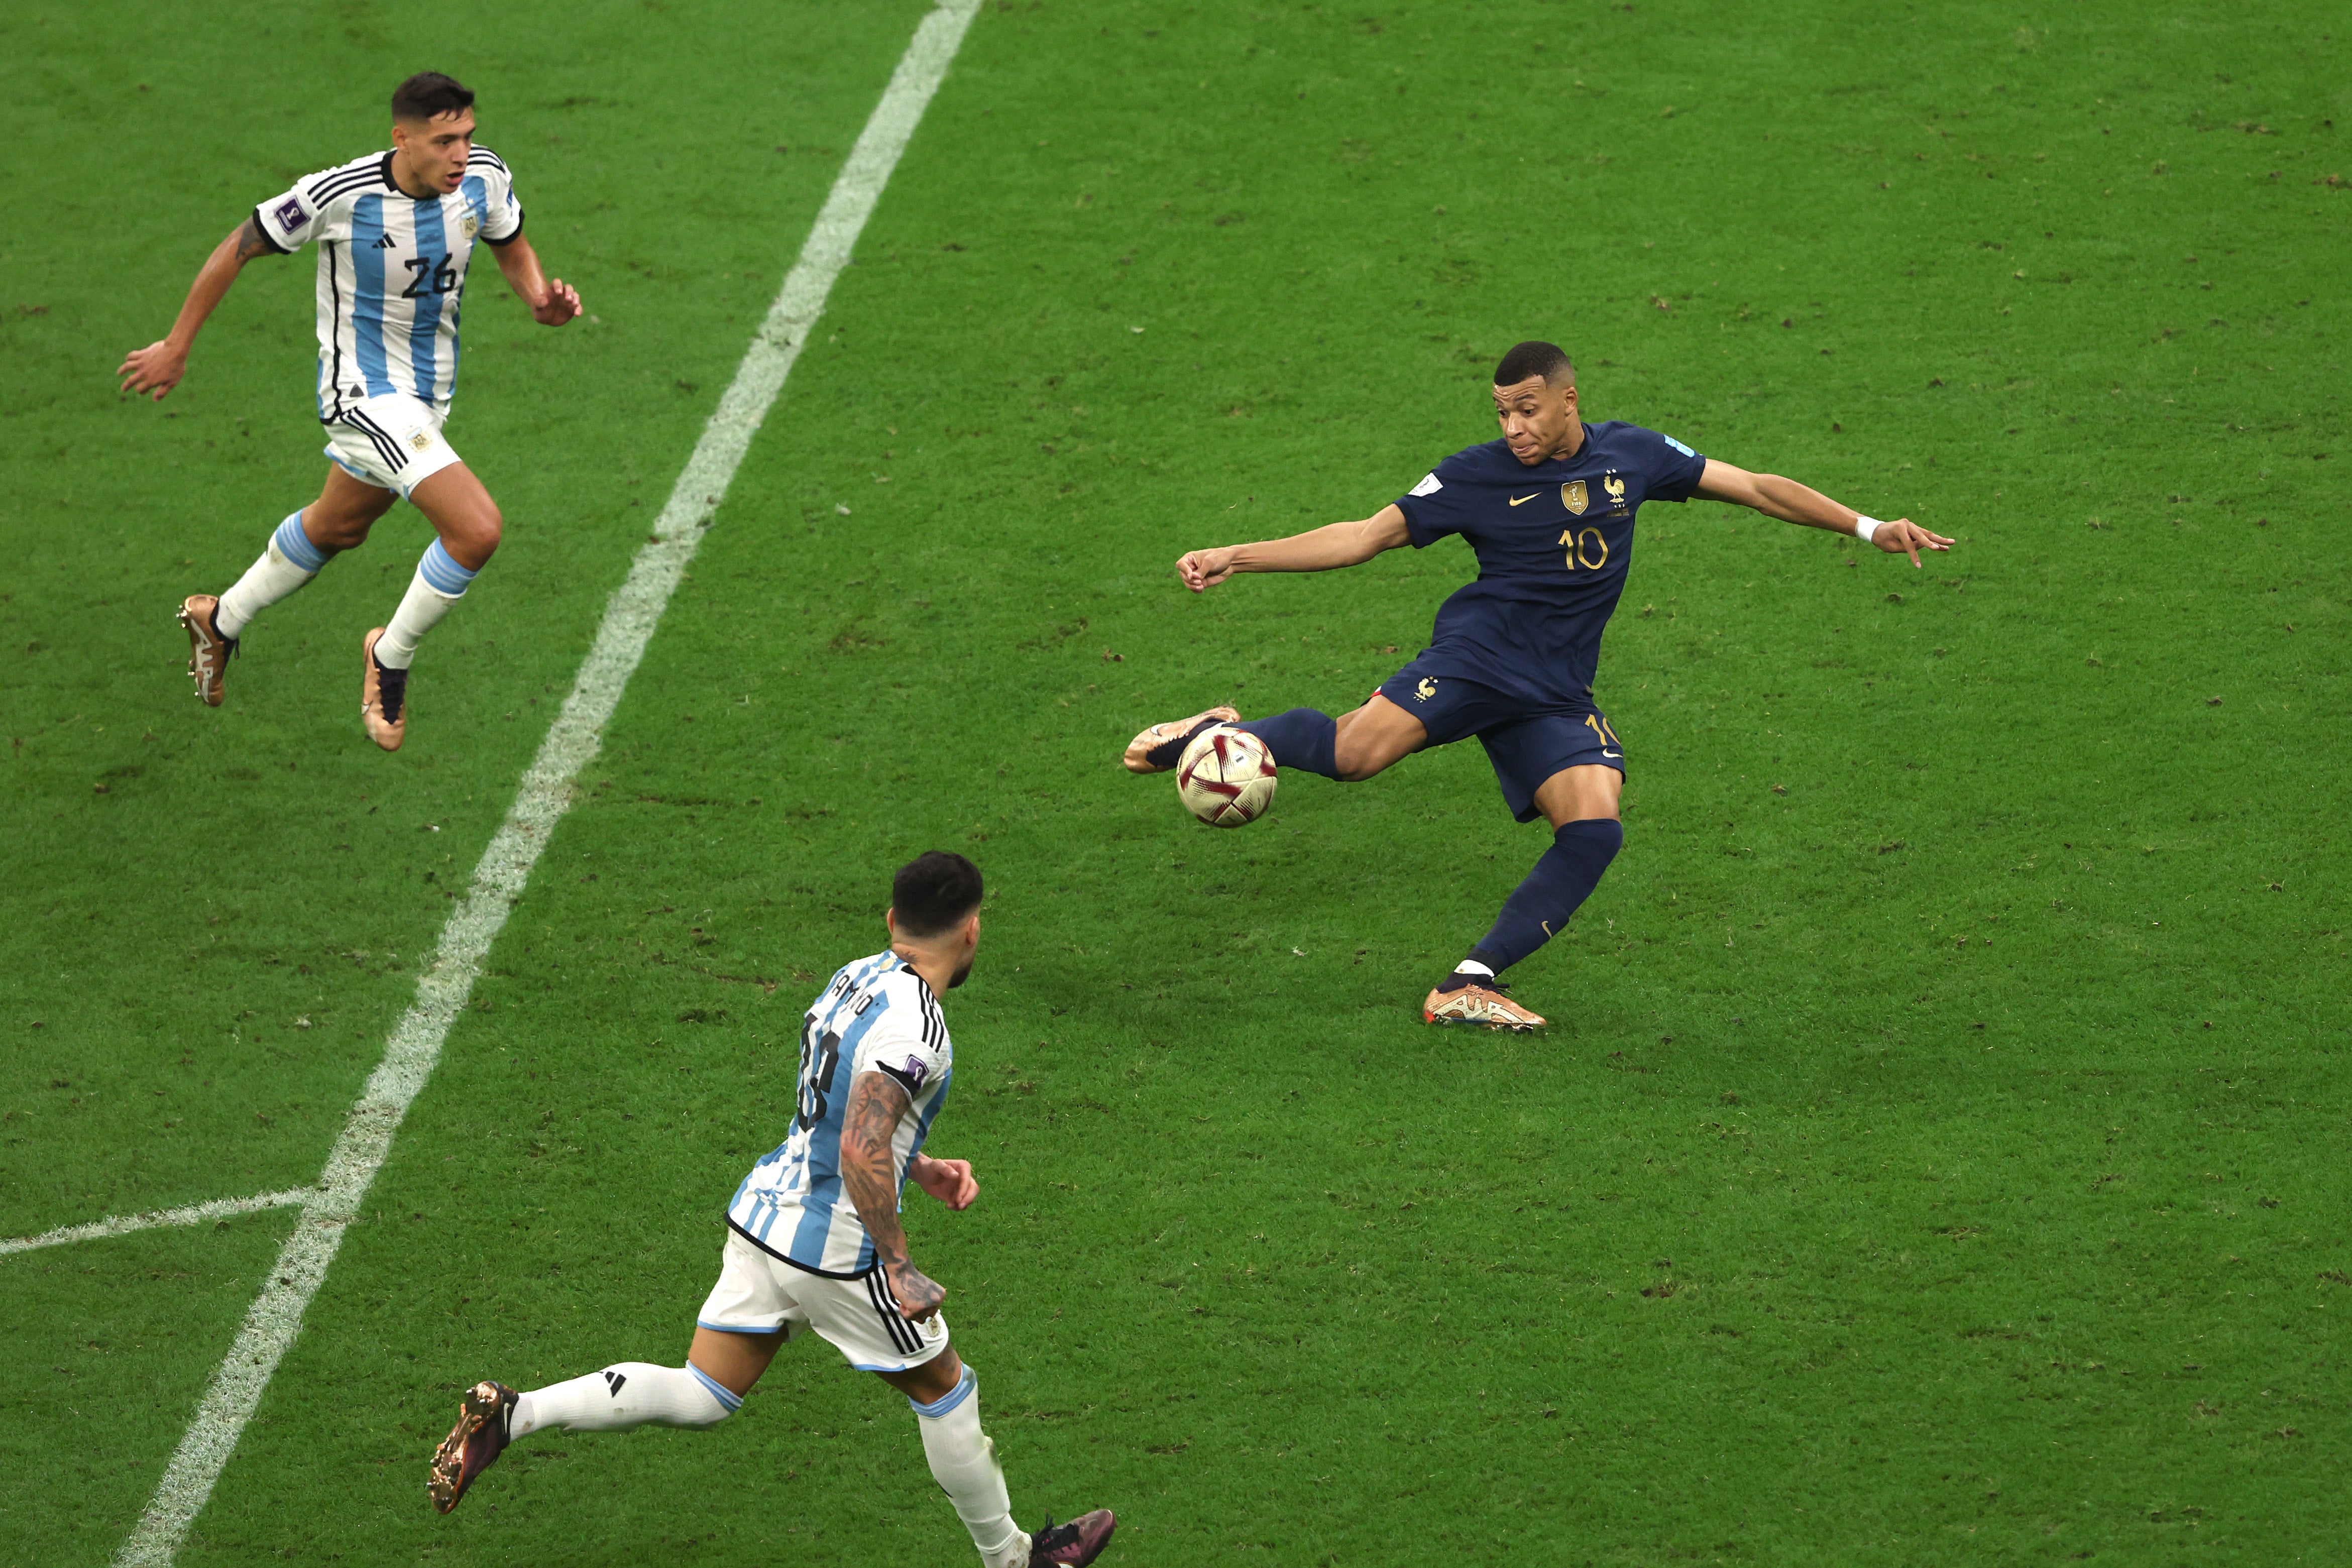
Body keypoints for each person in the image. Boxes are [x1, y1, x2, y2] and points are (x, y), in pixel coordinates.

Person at [1126, 341, 1952, 1030]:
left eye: (1527, 408)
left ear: (1567, 402)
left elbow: (1755, 487)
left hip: (1555, 690)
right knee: (1352, 756)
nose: (1513, 426)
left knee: (1595, 828)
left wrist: (1868, 526)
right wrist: (1236, 553)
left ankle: (1465, 983)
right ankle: (1222, 732)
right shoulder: (1474, 476)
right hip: (1477, 658)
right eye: (1501, 412)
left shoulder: (1634, 455)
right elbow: (1359, 538)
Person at [427, 853, 1116, 1568]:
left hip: (764, 1215)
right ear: (971, 932)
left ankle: (517, 1412)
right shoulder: (920, 1025)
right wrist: (900, 1265)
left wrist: (924, 1165)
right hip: (835, 1249)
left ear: (891, 922)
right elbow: (859, 1143)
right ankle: (1012, 1559)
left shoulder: (855, 976)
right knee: (945, 1387)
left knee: (704, 1391)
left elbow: (840, 1112)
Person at [117, 71, 582, 751]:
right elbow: (238, 246)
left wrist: (540, 300)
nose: (461, 153)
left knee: (338, 527)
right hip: (361, 396)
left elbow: (512, 247)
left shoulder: (485, 178)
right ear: (403, 139)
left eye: (468, 136)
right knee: (477, 530)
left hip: (429, 396)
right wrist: (177, 344)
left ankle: (219, 619)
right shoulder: (338, 195)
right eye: (445, 140)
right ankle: (388, 658)